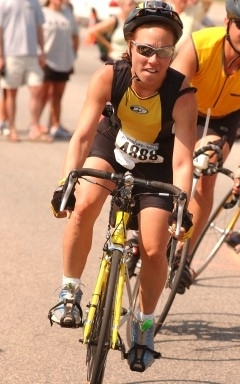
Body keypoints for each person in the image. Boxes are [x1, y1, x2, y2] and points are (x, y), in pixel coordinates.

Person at [48, 1, 197, 372]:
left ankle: (144, 326)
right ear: (130, 45)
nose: (152, 59)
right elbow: (82, 135)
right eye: (145, 49)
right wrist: (67, 180)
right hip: (110, 148)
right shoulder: (108, 76)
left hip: (158, 167)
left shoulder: (182, 94)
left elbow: (181, 161)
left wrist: (183, 207)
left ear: (171, 54)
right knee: (84, 204)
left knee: (152, 246)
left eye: (163, 52)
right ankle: (69, 291)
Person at [171, 0, 240, 292]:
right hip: (187, 109)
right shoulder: (200, 44)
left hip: (224, 119)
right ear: (228, 23)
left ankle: (184, 256)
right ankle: (137, 236)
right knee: (168, 168)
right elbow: (172, 92)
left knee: (206, 174)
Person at [0, 0, 52, 142]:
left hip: (32, 55)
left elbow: (39, 28)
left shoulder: (34, 3)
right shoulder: (4, 2)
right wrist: (0, 55)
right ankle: (12, 129)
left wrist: (42, 51)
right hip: (11, 54)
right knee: (11, 92)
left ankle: (34, 128)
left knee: (37, 89)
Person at [40, 0, 79, 140]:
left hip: (64, 61)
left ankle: (55, 126)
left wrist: (74, 54)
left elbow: (75, 36)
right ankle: (36, 125)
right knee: (43, 95)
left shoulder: (68, 12)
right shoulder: (43, 12)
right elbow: (37, 35)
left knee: (57, 96)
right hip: (47, 60)